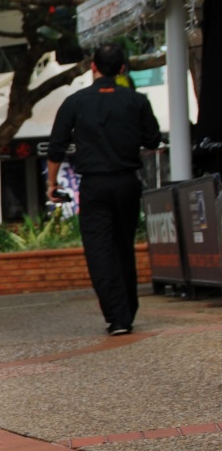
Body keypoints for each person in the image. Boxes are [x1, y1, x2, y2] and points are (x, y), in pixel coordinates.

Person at [47, 42, 163, 335]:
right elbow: (152, 140)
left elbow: (57, 146)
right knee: (124, 246)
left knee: (99, 250)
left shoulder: (75, 102)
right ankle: (128, 311)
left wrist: (52, 184)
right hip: (127, 182)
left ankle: (117, 316)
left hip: (95, 185)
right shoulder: (137, 101)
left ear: (93, 66)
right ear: (123, 68)